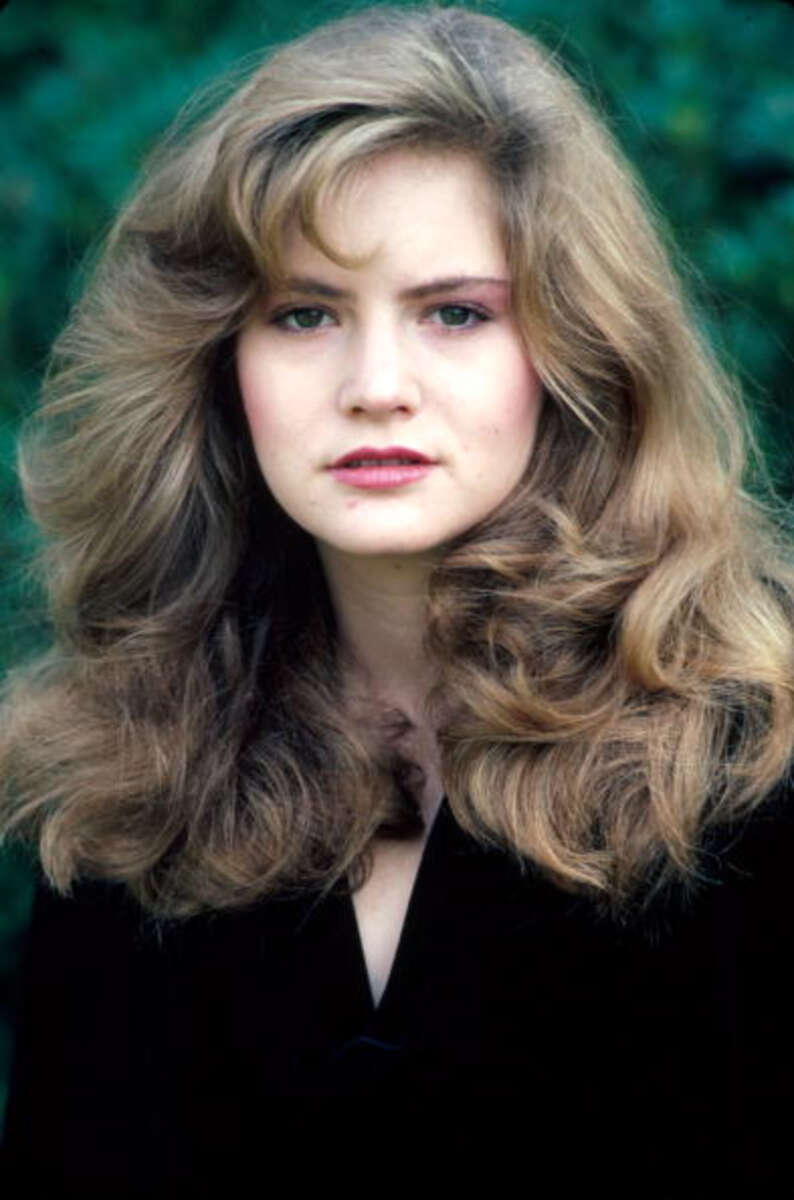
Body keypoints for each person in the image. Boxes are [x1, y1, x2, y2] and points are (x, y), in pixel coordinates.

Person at [1, 3, 793, 1191]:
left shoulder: (747, 775)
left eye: (455, 313)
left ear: (575, 355)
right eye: (304, 313)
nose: (376, 387)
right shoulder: (129, 791)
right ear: (217, 362)